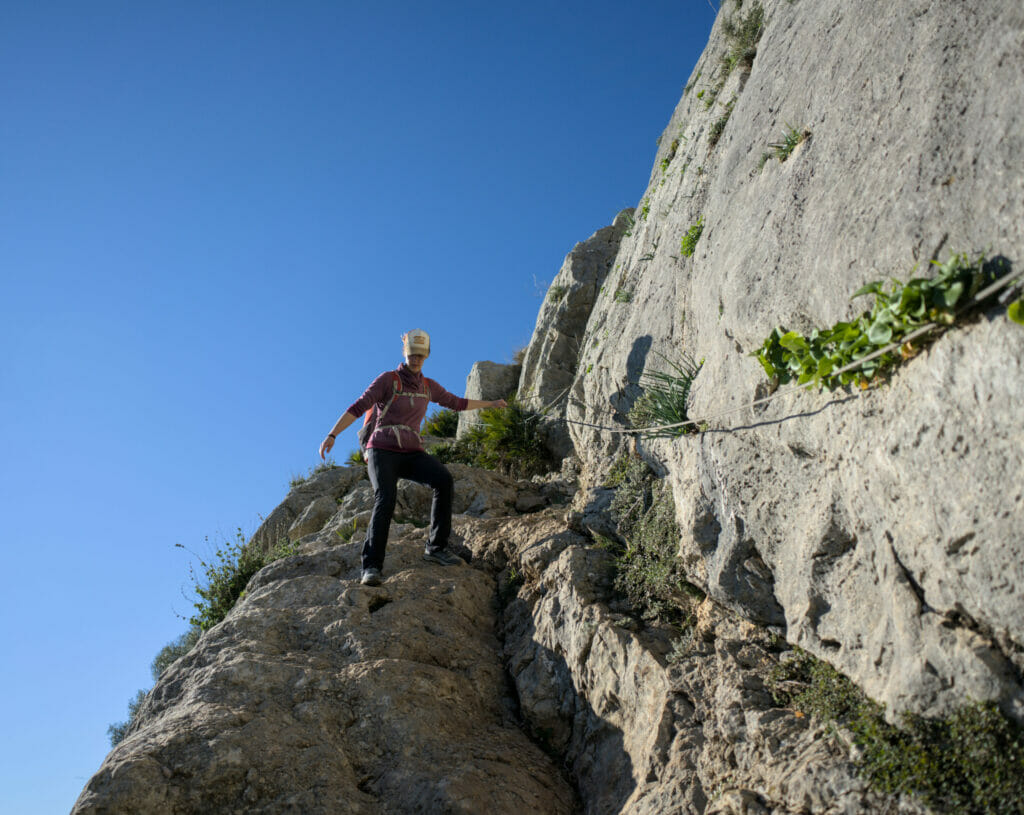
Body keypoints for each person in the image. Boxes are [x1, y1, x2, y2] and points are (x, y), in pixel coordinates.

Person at [318, 329, 507, 586]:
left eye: (420, 355)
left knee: (443, 480)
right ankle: (371, 567)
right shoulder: (388, 380)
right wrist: (332, 435)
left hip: (410, 451)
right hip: (381, 449)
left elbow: (457, 403)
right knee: (385, 498)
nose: (415, 359)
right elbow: (358, 406)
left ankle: (436, 548)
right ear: (405, 354)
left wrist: (492, 404)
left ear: (426, 356)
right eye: (411, 354)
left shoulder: (428, 386)